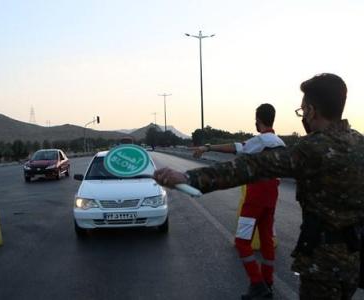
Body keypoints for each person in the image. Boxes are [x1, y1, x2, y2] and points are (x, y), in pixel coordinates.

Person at [154, 73, 364, 300]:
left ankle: (259, 284)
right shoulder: (359, 142)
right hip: (354, 259)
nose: (303, 116)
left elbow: (251, 167)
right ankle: (265, 282)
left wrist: (188, 178)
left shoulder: (313, 148)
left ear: (312, 110)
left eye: (303, 110)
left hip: (322, 266)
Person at [192, 103, 285, 299]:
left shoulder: (259, 141)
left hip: (254, 201)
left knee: (242, 242)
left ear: (257, 120)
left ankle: (257, 284)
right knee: (267, 241)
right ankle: (268, 283)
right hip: (271, 201)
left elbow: (236, 147)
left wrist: (207, 147)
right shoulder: (280, 142)